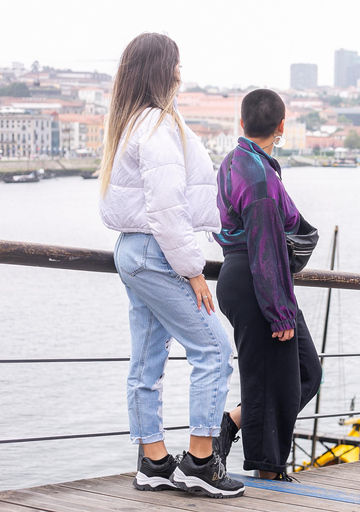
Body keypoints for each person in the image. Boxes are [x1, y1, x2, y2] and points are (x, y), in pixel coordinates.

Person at [99, 33, 244, 498]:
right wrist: (194, 270)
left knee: (146, 361)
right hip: (156, 253)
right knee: (215, 349)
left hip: (135, 252)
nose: (183, 71)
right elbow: (166, 209)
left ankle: (154, 460)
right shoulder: (158, 126)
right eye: (177, 63)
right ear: (165, 70)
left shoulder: (134, 122)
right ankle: (201, 460)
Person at [212, 89, 322, 480]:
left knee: (306, 371)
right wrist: (278, 312)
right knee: (267, 379)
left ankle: (231, 425)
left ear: (241, 124)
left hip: (249, 276)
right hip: (257, 280)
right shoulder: (258, 176)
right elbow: (264, 244)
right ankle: (268, 473)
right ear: (281, 126)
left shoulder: (235, 162)